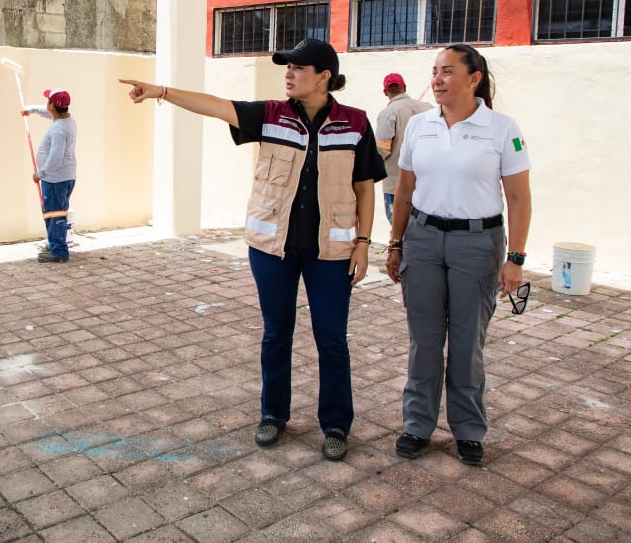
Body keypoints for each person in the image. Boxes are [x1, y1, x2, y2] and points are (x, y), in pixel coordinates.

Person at [121, 38, 385, 461]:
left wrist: (363, 244)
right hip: (272, 250)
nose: (288, 73)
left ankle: (335, 423)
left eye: (298, 68)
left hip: (330, 254)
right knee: (276, 333)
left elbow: (365, 186)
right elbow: (216, 105)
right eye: (287, 66)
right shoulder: (270, 114)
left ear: (324, 77)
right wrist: (163, 92)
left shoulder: (355, 123)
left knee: (332, 339)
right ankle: (273, 414)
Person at [385, 44, 531, 467]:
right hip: (423, 239)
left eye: (447, 71)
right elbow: (405, 193)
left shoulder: (501, 128)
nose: (437, 79)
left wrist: (515, 259)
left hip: (477, 243)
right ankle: (417, 424)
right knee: (425, 342)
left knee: (467, 343)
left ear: (474, 78)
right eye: (434, 71)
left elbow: (519, 199)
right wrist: (395, 243)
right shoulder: (419, 126)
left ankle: (468, 430)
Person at [22, 88, 77, 263]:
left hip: (55, 179)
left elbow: (55, 157)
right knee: (55, 213)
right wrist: (30, 109)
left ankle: (59, 251)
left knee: (54, 215)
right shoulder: (67, 120)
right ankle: (55, 244)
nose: (46, 105)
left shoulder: (59, 130)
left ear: (52, 105)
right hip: (65, 177)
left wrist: (41, 173)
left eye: (48, 102)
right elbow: (47, 112)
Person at [375, 73, 431, 223]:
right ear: (404, 87)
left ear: (385, 92)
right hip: (427, 182)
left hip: (396, 183)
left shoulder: (388, 113)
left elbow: (381, 150)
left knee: (399, 229)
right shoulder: (428, 108)